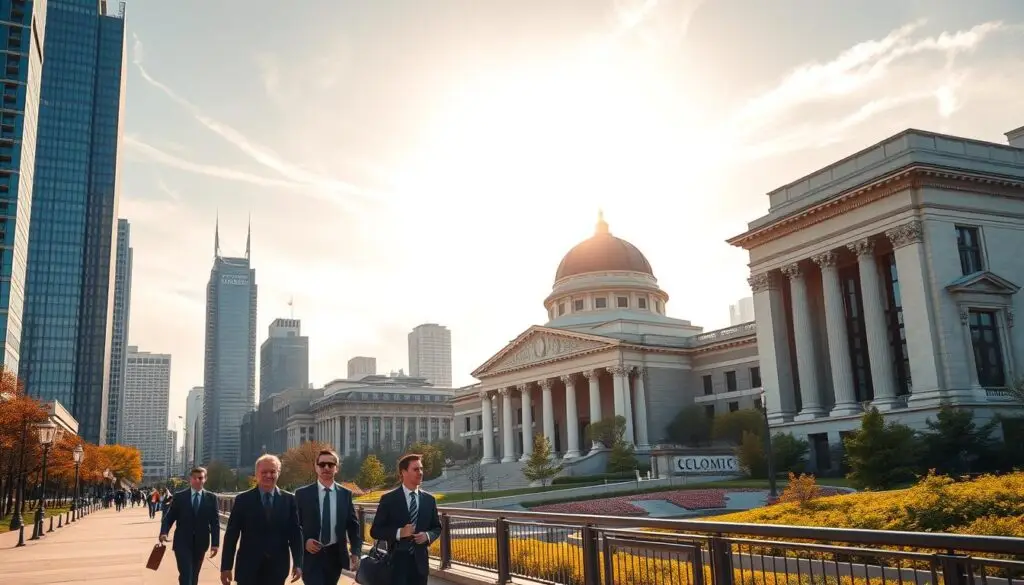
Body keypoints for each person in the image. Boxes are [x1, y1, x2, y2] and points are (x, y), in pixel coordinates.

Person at [221, 454, 303, 585]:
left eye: (272, 471)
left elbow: (295, 534)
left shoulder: (289, 500)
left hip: (277, 569)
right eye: (264, 472)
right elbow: (231, 535)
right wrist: (226, 566)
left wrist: (298, 563)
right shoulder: (243, 500)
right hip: (248, 569)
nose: (268, 475)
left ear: (279, 473)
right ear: (256, 473)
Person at [369, 454, 442, 585]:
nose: (420, 473)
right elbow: (375, 531)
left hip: (420, 567)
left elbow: (437, 527)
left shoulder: (429, 500)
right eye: (415, 469)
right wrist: (399, 533)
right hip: (395, 566)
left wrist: (427, 535)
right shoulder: (389, 499)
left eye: (421, 469)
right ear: (403, 472)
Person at [294, 449, 361, 585]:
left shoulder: (345, 494)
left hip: (335, 556)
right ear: (316, 467)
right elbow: (294, 526)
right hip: (310, 556)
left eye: (330, 465)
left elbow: (353, 525)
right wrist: (305, 542)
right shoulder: (302, 494)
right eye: (322, 464)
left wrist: (355, 551)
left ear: (336, 468)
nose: (326, 468)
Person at [159, 467, 221, 585]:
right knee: (186, 575)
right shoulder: (180, 496)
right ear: (190, 479)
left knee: (194, 576)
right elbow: (169, 517)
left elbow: (215, 523)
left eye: (200, 478)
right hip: (182, 542)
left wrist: (215, 544)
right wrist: (164, 532)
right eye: (194, 478)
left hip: (201, 543)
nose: (197, 480)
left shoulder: (211, 498)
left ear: (205, 479)